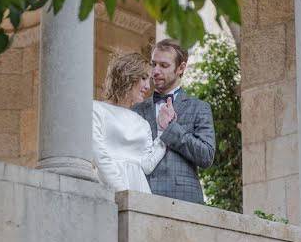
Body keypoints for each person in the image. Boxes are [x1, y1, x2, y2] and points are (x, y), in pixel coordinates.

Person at [133, 38, 216, 203]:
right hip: (141, 196)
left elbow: (206, 156)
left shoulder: (199, 107)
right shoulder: (136, 109)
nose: (155, 71)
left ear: (181, 68)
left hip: (183, 201)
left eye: (164, 66)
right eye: (153, 64)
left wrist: (171, 128)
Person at [92, 51, 176, 193]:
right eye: (143, 78)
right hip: (106, 188)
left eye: (149, 80)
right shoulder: (95, 109)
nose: (147, 87)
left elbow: (147, 165)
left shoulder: (142, 123)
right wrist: (122, 192)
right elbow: (99, 156)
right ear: (126, 75)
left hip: (139, 190)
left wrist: (163, 129)